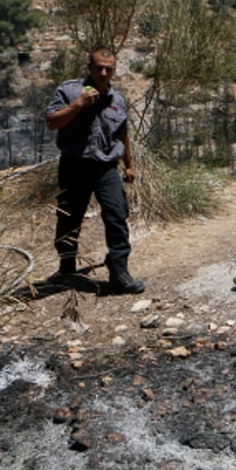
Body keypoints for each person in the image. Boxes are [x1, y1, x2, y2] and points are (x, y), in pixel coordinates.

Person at [46, 48, 145, 294]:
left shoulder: (118, 100)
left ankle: (119, 272)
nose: (103, 72)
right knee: (69, 217)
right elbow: (52, 122)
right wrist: (78, 104)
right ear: (89, 67)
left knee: (117, 215)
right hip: (74, 165)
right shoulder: (69, 91)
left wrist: (129, 165)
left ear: (114, 70)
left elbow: (122, 135)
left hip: (105, 168)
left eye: (108, 69)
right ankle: (66, 265)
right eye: (98, 67)